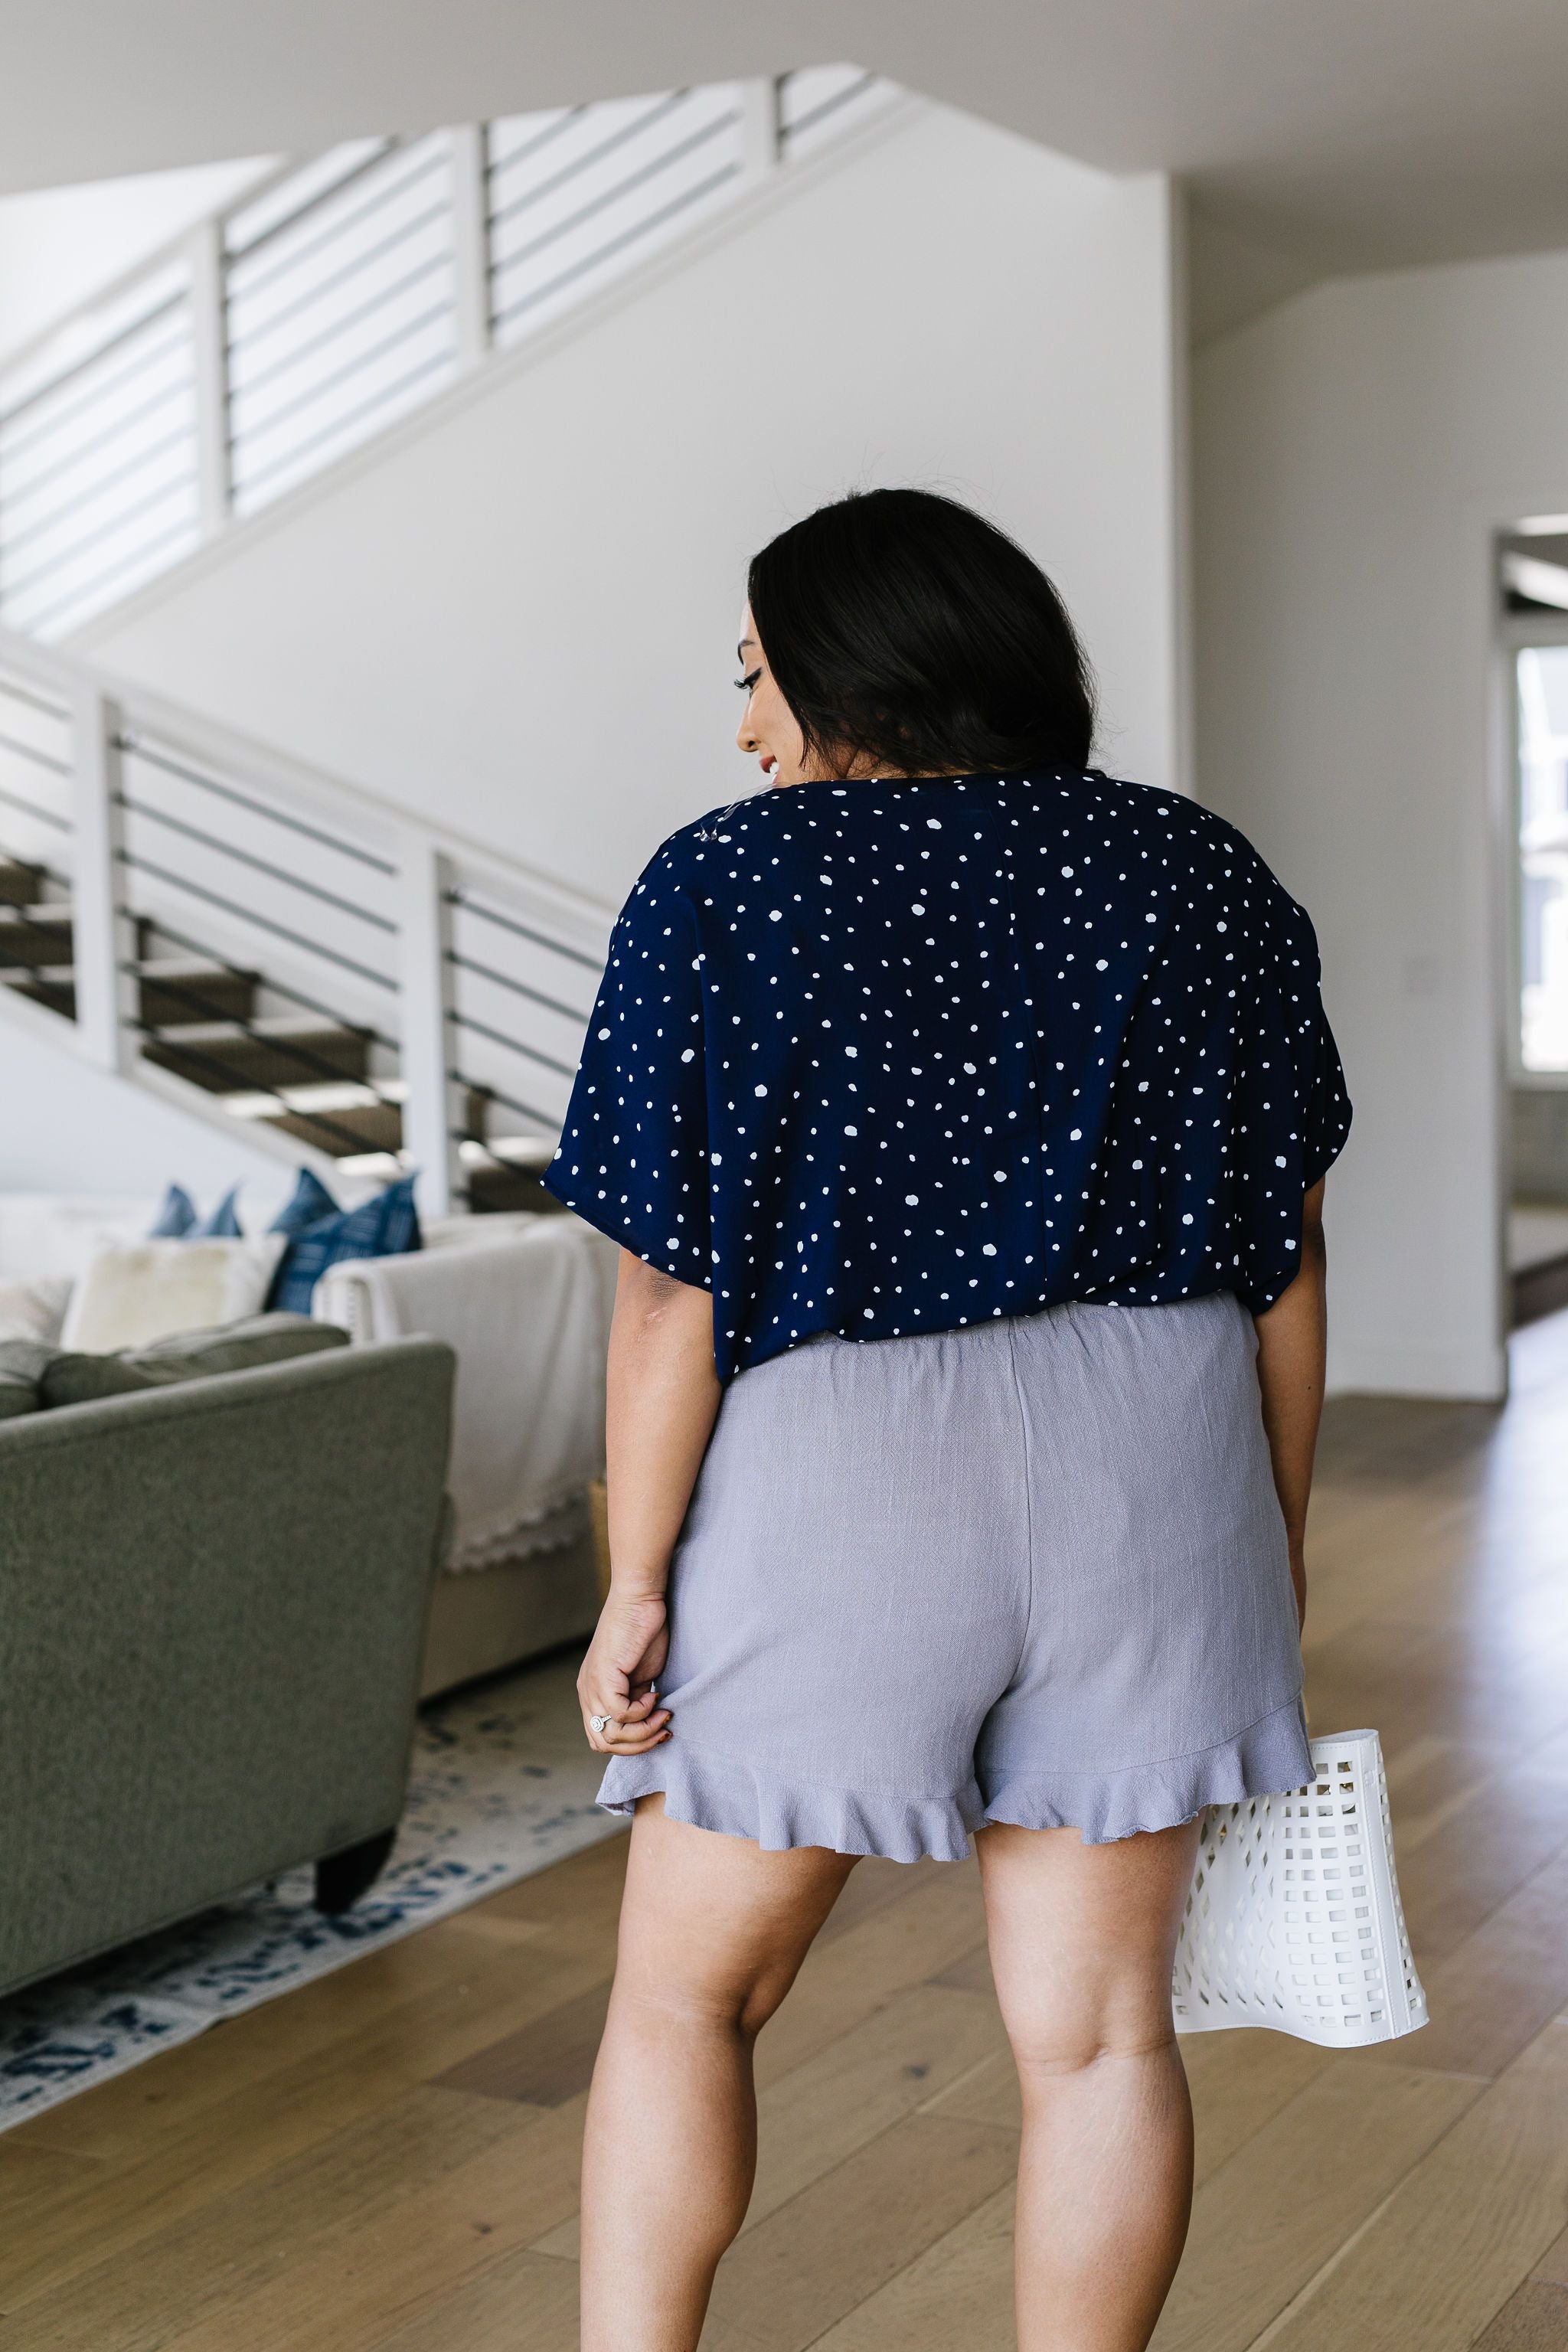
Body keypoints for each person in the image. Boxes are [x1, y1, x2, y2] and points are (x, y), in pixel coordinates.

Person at [545, 487, 1348, 2352]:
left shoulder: (724, 879)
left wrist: (631, 1577)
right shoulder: (1193, 866)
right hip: (1158, 1468)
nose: (742, 721)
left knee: (688, 1999)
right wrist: (1270, 1545)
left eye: (754, 673)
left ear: (846, 667)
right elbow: (1287, 1257)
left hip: (839, 1477)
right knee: (1096, 2038)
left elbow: (668, 1285)